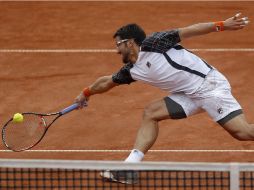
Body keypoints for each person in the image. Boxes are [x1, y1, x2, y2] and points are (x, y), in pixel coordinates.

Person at [75, 13, 251, 184]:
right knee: (151, 113)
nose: (116, 50)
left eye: (118, 44)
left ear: (129, 43)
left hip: (209, 86)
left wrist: (222, 25)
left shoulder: (154, 43)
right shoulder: (132, 70)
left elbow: (189, 30)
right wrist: (85, 93)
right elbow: (107, 82)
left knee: (243, 133)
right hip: (188, 94)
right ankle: (129, 168)